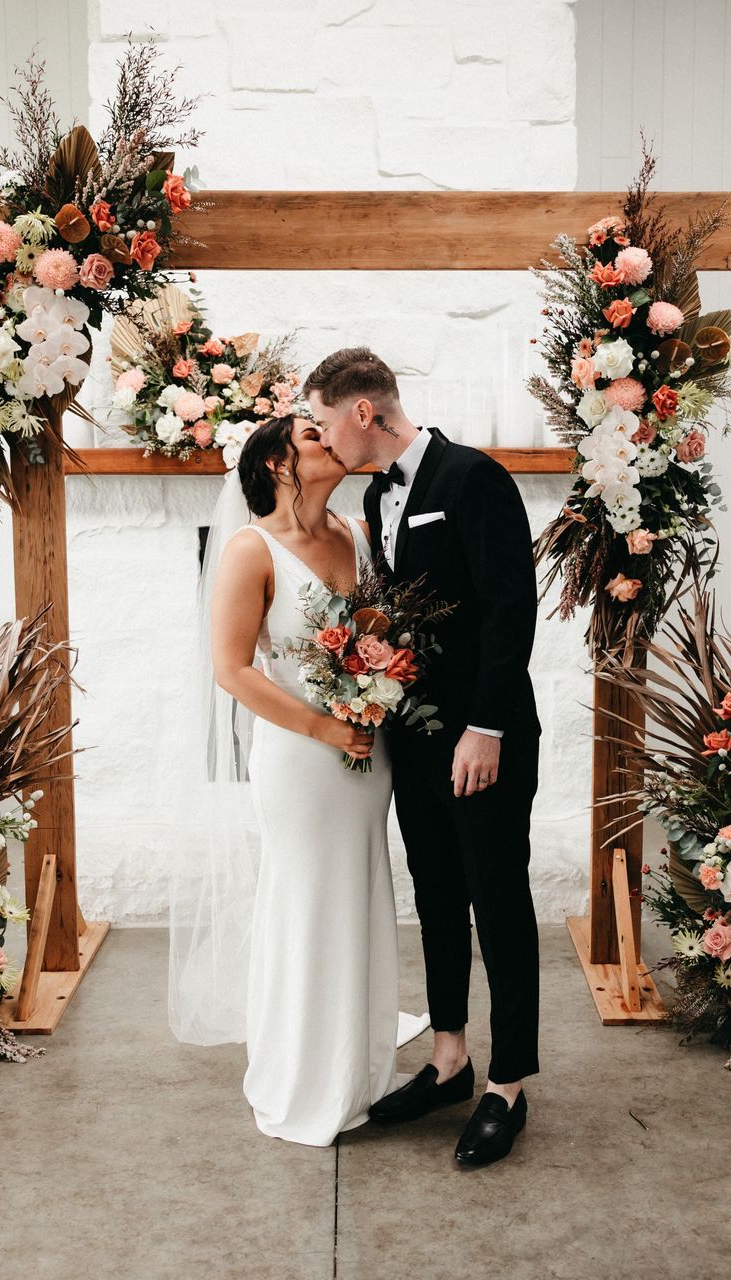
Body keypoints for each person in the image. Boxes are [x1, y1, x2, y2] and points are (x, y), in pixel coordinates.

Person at [307, 347, 543, 1169]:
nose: (322, 435)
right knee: (438, 897)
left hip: (485, 738)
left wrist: (487, 728)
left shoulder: (474, 478)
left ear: (364, 411)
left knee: (498, 900)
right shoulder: (377, 494)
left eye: (325, 419)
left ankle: (508, 1084)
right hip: (415, 738)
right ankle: (449, 1058)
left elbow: (513, 611)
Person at [197, 415, 425, 1146]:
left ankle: (355, 1067)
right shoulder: (249, 549)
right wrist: (328, 727)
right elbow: (232, 670)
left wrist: (381, 691)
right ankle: (302, 1074)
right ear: (276, 463)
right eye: (311, 435)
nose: (331, 439)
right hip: (301, 759)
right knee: (303, 898)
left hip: (369, 755)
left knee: (358, 894)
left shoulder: (358, 536)